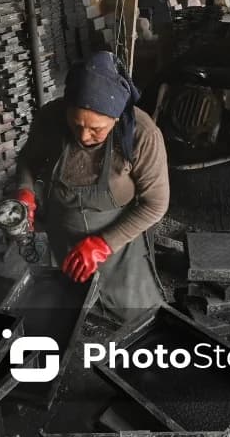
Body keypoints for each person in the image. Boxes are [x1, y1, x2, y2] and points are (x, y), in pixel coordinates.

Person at [11, 51, 169, 323]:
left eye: (96, 129)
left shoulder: (142, 134)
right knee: (72, 313)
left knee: (137, 319)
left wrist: (103, 244)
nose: (83, 136)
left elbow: (156, 203)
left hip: (119, 243)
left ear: (117, 118)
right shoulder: (51, 119)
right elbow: (28, 159)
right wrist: (25, 191)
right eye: (76, 124)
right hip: (64, 235)